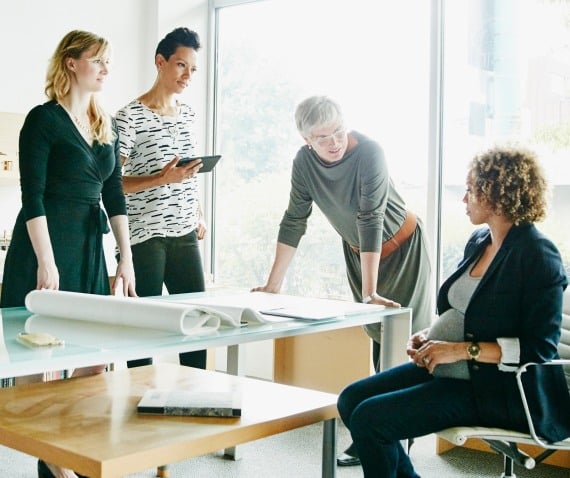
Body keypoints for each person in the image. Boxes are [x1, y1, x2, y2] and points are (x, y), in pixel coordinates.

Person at [337, 145, 570, 477]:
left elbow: (540, 348)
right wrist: (430, 336)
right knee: (351, 400)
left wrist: (459, 350)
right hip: (453, 369)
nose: (464, 199)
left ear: (498, 193)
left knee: (371, 420)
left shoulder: (538, 256)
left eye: (471, 190)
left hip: (498, 390)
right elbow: (465, 309)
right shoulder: (480, 241)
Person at [251, 95, 433, 466]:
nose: (334, 142)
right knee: (378, 341)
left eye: (338, 131)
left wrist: (370, 291)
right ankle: (375, 433)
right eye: (323, 137)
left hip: (403, 247)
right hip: (359, 253)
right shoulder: (303, 164)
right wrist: (273, 285)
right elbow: (294, 219)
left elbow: (371, 216)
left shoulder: (370, 153)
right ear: (306, 140)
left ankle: (392, 441)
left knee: (403, 343)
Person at [0, 30, 136, 478]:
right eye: (98, 59)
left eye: (107, 60)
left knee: (92, 359)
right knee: (36, 360)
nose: (105, 68)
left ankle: (64, 452)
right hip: (44, 245)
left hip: (87, 247)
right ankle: (54, 461)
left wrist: (125, 257)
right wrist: (46, 259)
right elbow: (31, 196)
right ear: (72, 63)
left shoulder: (106, 124)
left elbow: (114, 194)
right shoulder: (43, 120)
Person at [115, 27, 207, 369]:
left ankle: (197, 399)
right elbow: (112, 184)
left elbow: (189, 173)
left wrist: (199, 214)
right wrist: (160, 178)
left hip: (184, 233)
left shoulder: (189, 115)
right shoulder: (129, 117)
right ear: (160, 62)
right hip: (144, 237)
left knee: (198, 323)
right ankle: (139, 405)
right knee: (142, 330)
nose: (188, 75)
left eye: (193, 69)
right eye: (181, 65)